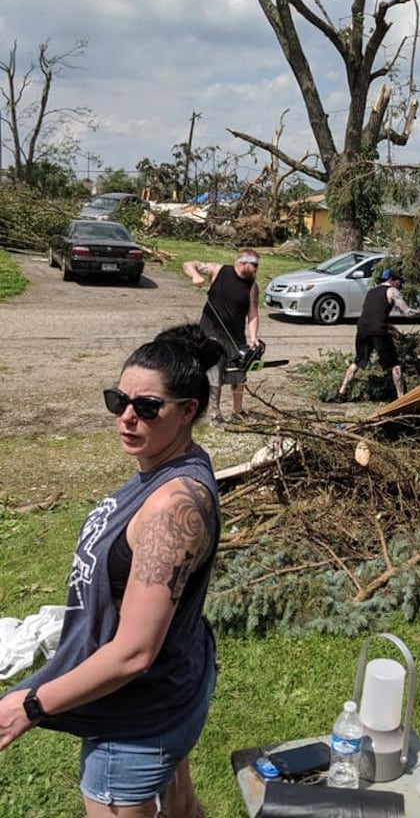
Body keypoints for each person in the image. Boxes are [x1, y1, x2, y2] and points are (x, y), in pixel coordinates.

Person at [0, 323, 223, 818]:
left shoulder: (173, 506)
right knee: (182, 806)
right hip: (179, 681)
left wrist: (30, 704)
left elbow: (134, 654)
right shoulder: (168, 463)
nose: (126, 417)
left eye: (146, 407)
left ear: (188, 411)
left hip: (135, 720)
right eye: (117, 400)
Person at [183, 249, 261, 426]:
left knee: (239, 375)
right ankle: (215, 415)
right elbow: (188, 264)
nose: (256, 269)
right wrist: (195, 276)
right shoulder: (219, 271)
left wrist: (253, 337)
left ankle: (238, 412)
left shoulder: (252, 286)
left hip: (236, 336)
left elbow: (253, 314)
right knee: (214, 375)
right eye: (255, 265)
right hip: (211, 333)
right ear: (243, 263)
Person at [337, 269, 420, 401]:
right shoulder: (392, 291)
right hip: (379, 331)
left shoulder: (371, 292)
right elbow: (408, 312)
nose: (400, 285)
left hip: (362, 328)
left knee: (358, 361)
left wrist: (392, 329)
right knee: (395, 365)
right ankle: (401, 398)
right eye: (399, 281)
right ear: (392, 280)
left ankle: (341, 392)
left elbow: (373, 315)